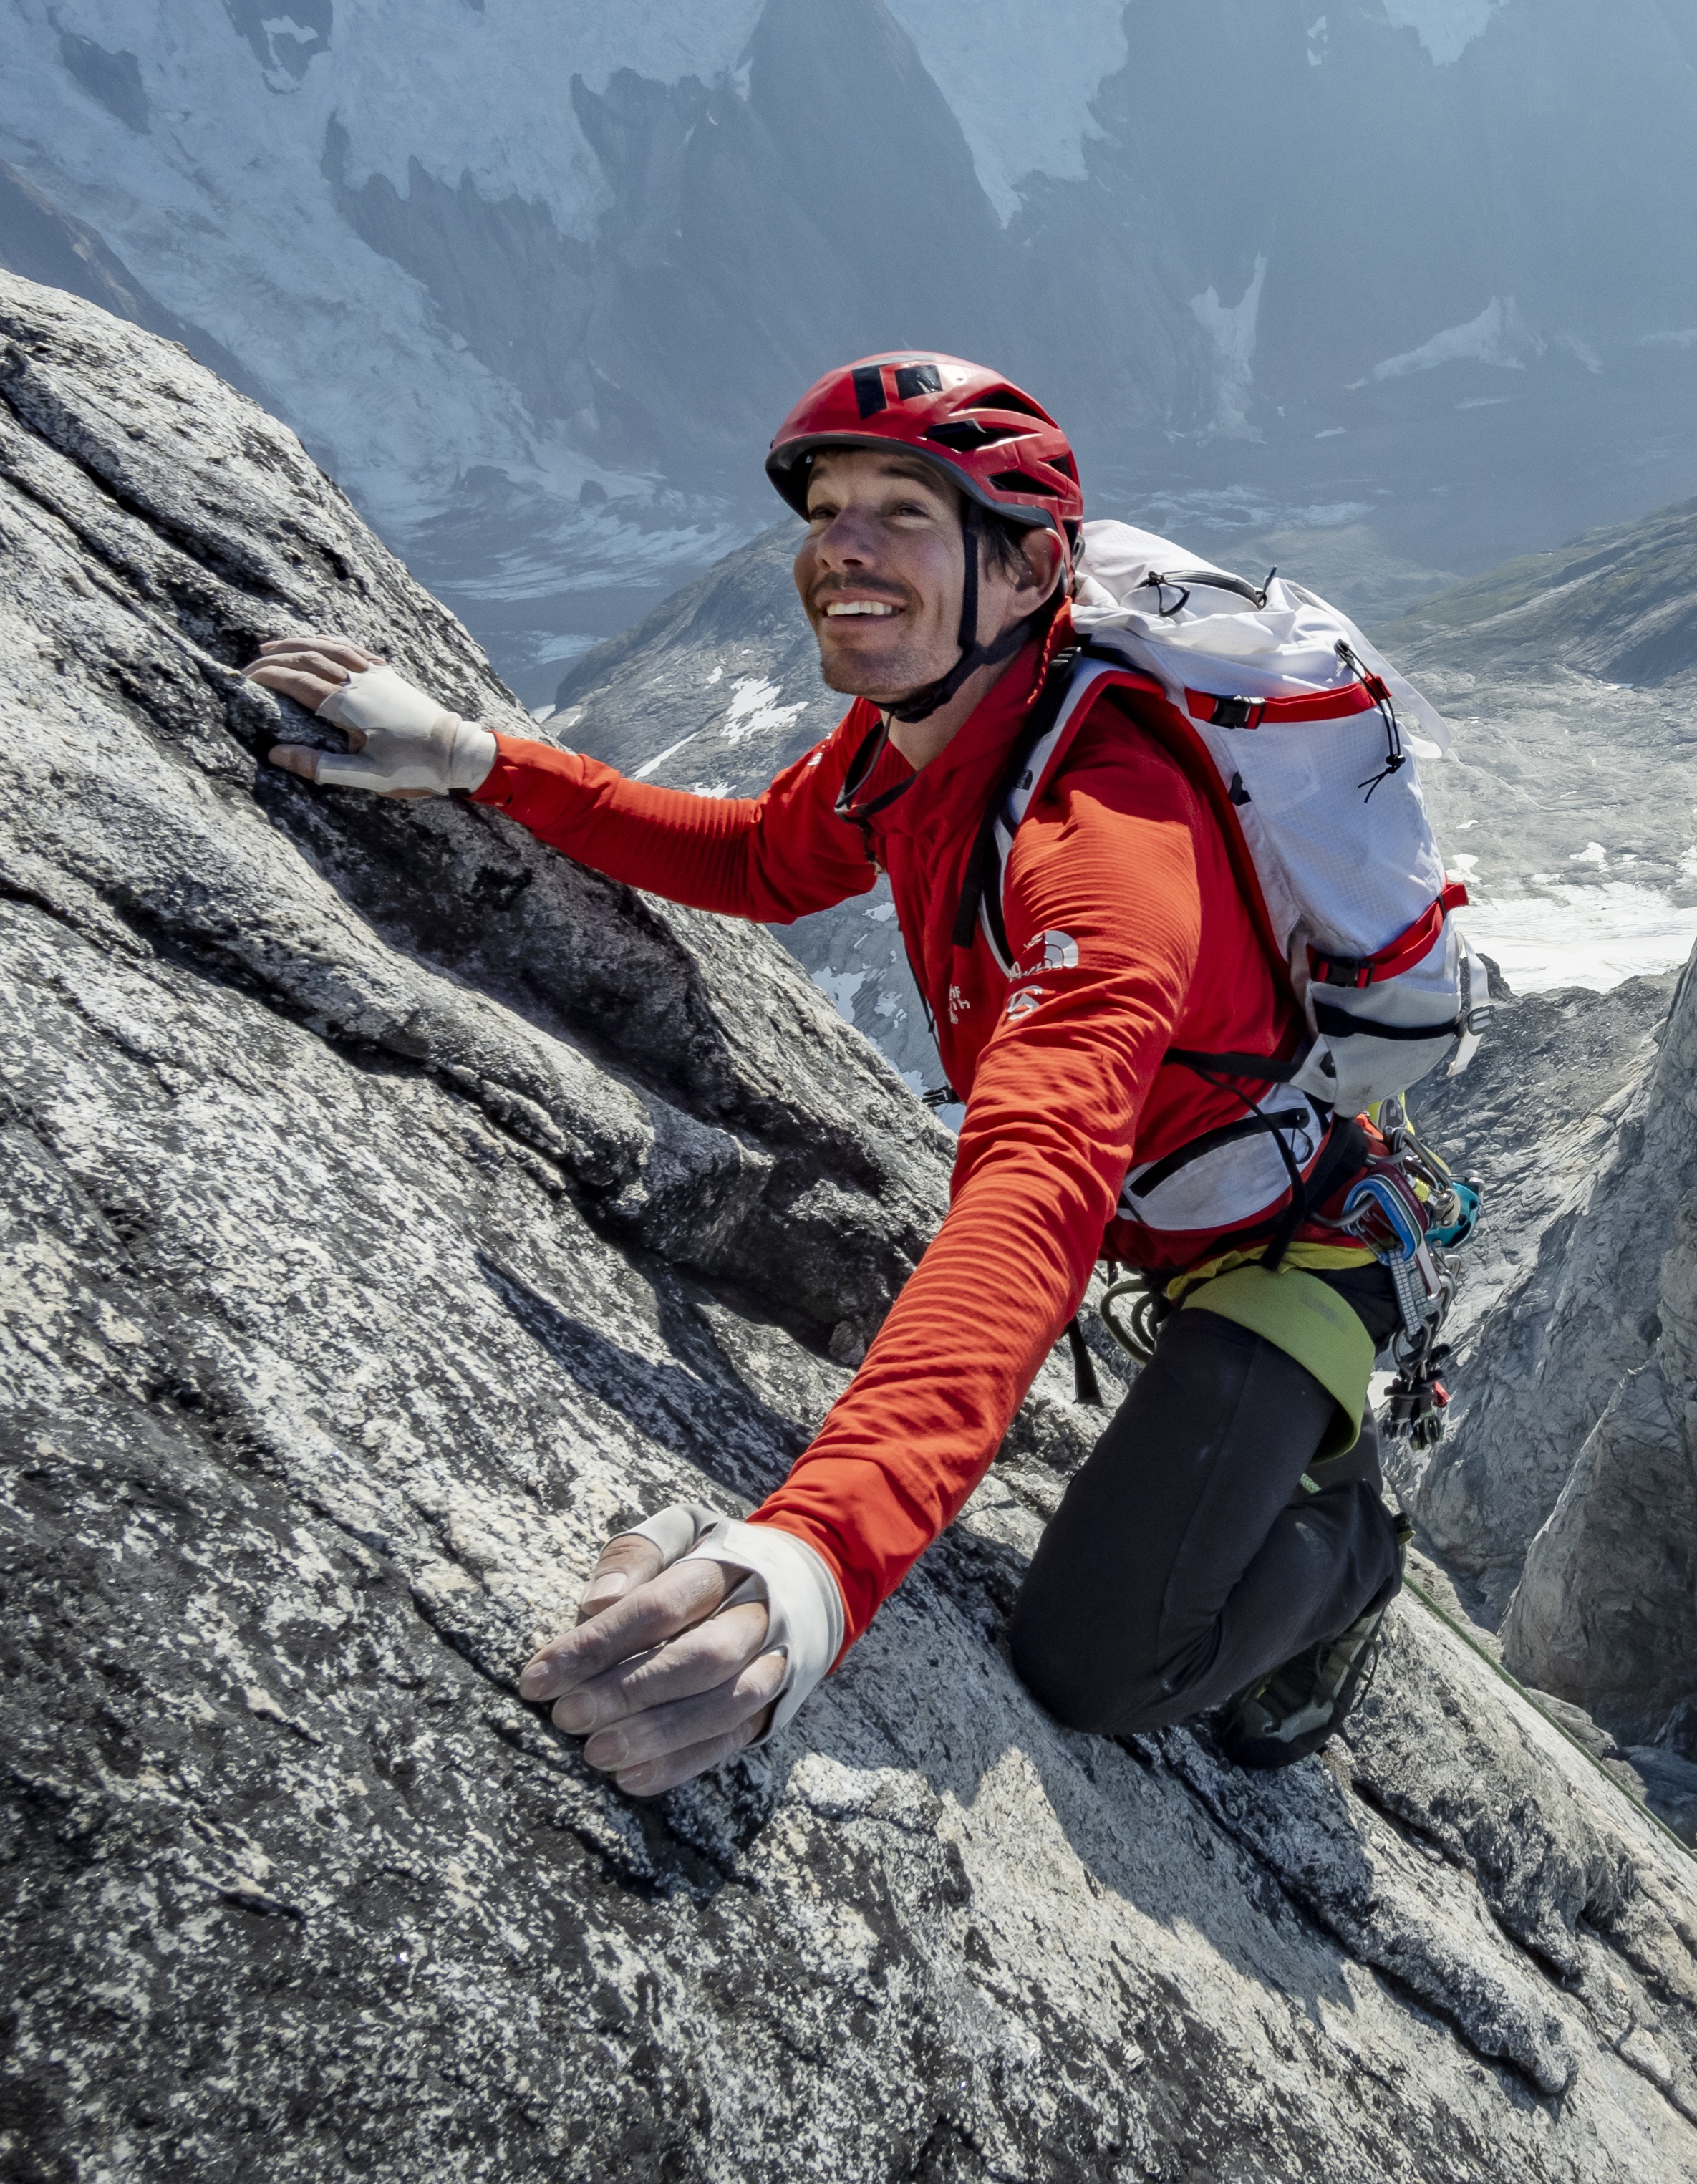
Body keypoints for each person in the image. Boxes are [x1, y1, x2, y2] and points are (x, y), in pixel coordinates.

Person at [250, 354, 1414, 1797]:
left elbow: (1035, 1197)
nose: (840, 545)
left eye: (905, 513)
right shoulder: (919, 739)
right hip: (1177, 1220)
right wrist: (484, 762)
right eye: (830, 508)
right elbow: (756, 859)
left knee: (1096, 1663)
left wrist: (820, 1553)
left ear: (1035, 566)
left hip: (1280, 1259)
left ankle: (1353, 1546)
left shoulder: (1103, 833)